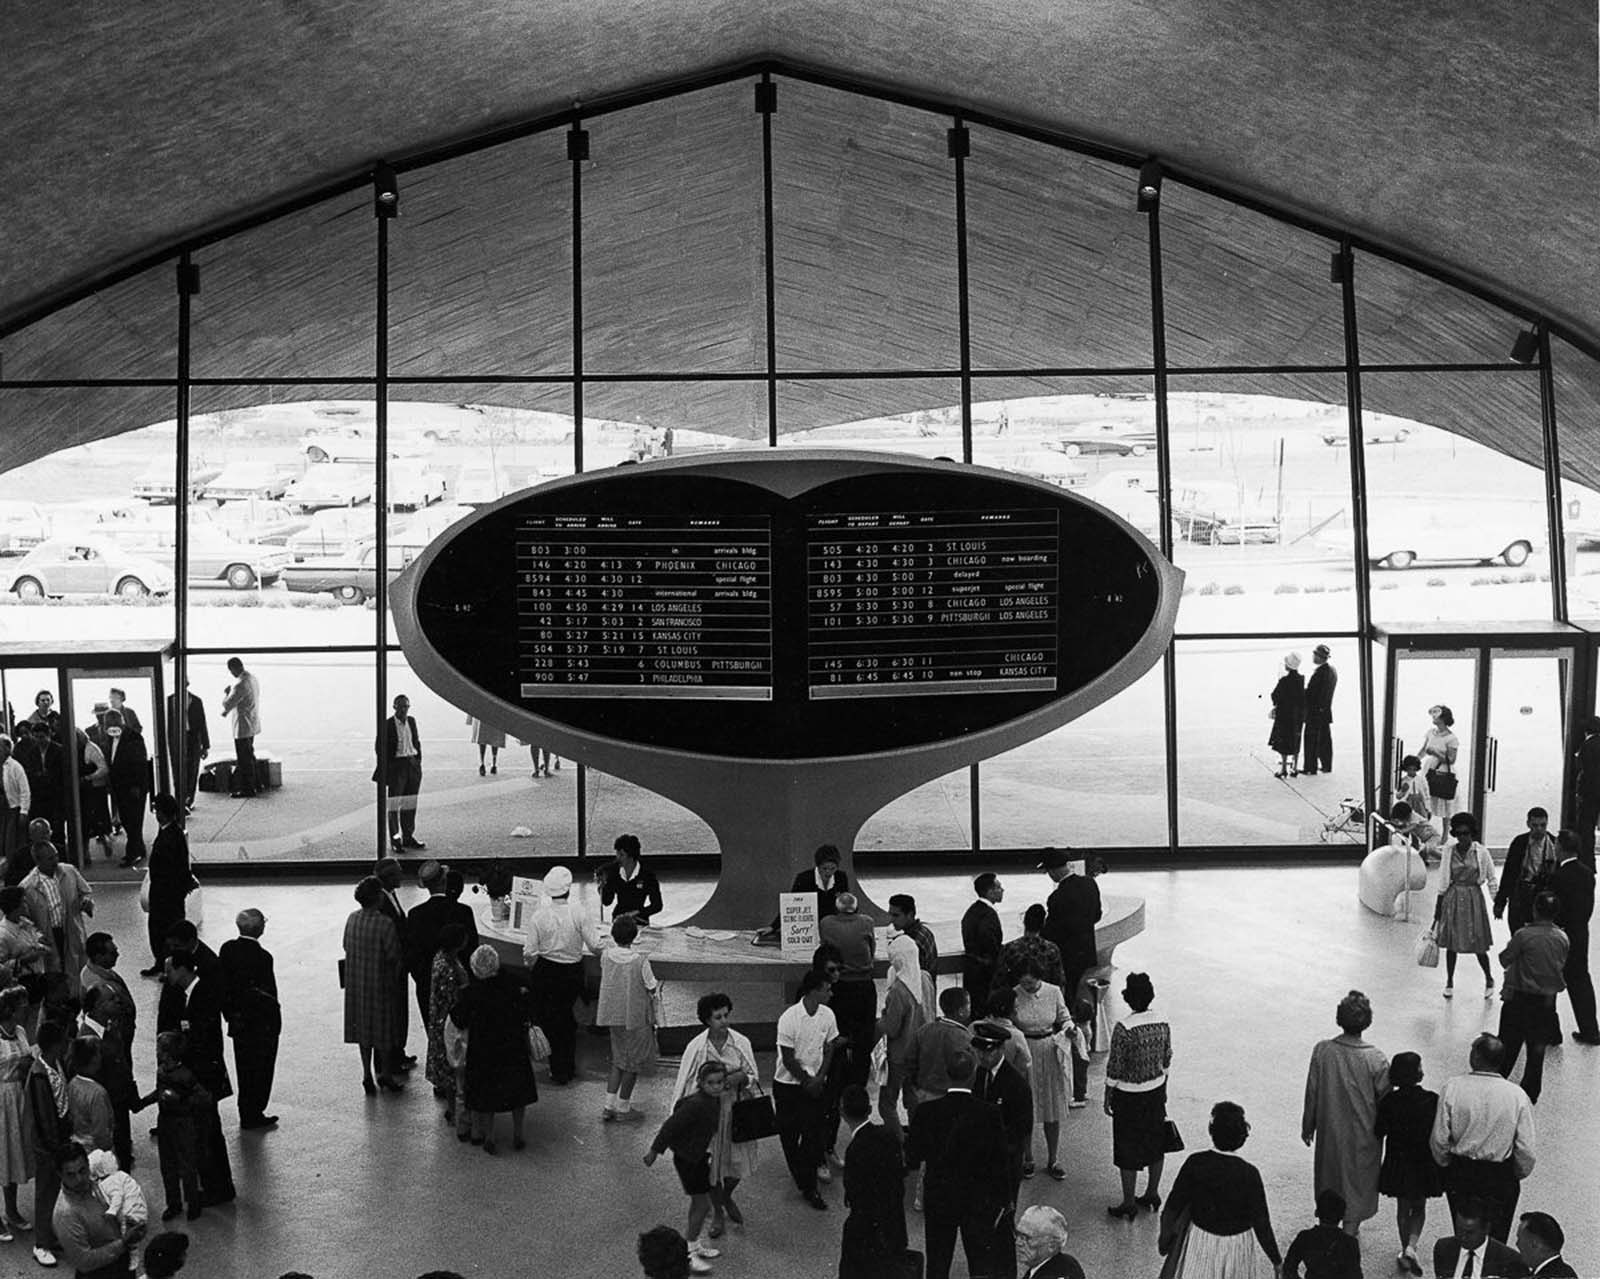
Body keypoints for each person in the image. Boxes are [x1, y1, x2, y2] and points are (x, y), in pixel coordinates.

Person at [904, 1048, 1010, 1279]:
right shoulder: (989, 1113)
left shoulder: (926, 1112)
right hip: (977, 1199)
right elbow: (1001, 1161)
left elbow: (912, 1156)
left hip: (939, 1198)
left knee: (938, 1262)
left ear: (947, 1074)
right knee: (980, 1263)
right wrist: (1002, 1200)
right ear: (973, 1074)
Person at [1429, 1034, 1536, 1243]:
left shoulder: (1453, 1087)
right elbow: (1526, 1149)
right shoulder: (1517, 1095)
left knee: (1464, 1234)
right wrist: (1514, 1173)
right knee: (1497, 1239)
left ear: (1476, 1058)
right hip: (1500, 1174)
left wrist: (1446, 1164)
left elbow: (1439, 1138)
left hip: (1462, 1171)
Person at [670, 992, 760, 1240]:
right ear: (707, 1020)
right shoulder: (697, 1047)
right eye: (718, 1017)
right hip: (707, 1117)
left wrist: (740, 1078)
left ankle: (725, 1196)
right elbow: (685, 1082)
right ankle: (718, 1211)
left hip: (735, 1112)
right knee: (712, 1167)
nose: (724, 1021)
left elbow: (754, 1076)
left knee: (737, 1165)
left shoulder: (740, 1042)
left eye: (726, 1015)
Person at [1158, 1101, 1281, 1279]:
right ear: (1243, 1136)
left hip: (1200, 1241)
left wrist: (1165, 1241)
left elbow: (1172, 1207)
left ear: (1212, 1131)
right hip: (1238, 1246)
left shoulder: (1195, 1162)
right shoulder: (1250, 1174)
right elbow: (1262, 1224)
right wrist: (1276, 1260)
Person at [1300, 989, 1389, 1233]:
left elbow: (1312, 1092)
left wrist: (1308, 1125)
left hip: (1330, 1131)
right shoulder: (1376, 1058)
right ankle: (1350, 1232)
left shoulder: (1323, 1050)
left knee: (1329, 1178)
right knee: (1358, 1183)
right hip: (1364, 1134)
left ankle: (1327, 1225)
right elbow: (1385, 1100)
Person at [159, 950, 234, 1208]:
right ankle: (216, 1185)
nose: (166, 975)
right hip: (203, 1079)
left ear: (183, 969)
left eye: (169, 970)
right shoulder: (192, 996)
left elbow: (204, 1043)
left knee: (208, 1135)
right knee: (207, 1134)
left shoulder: (200, 998)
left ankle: (218, 1188)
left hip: (203, 1081)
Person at [447, 944, 538, 1154]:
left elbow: (458, 1019)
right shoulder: (515, 983)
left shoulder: (472, 992)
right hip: (513, 1045)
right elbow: (528, 1007)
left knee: (487, 1094)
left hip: (484, 1049)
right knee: (518, 1091)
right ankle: (518, 1134)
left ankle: (490, 1136)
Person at [643, 1060, 726, 1276]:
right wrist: (654, 1150)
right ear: (700, 1082)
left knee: (699, 1203)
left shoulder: (711, 1101)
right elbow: (670, 1127)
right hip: (689, 1160)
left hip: (696, 1157)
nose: (716, 1087)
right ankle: (689, 1250)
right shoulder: (696, 1104)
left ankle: (694, 1244)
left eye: (720, 1082)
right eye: (711, 1083)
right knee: (703, 1206)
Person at [523, 865, 599, 1086]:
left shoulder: (538, 916)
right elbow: (594, 945)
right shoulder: (579, 912)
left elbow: (529, 952)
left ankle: (558, 1069)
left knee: (551, 1021)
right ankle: (568, 1067)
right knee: (566, 1018)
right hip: (571, 974)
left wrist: (533, 967)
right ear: (568, 889)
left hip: (545, 972)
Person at [1105, 971, 1172, 1219]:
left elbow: (1115, 1067)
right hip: (1155, 1090)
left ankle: (1129, 1202)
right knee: (1156, 1142)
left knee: (1127, 1147)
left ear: (1128, 999)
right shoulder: (1162, 1023)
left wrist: (1107, 1094)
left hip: (1129, 1095)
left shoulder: (1124, 1028)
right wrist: (1162, 1083)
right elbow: (1167, 1058)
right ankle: (1152, 1193)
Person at [772, 968, 839, 1210]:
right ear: (814, 991)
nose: (831, 992)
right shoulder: (789, 1018)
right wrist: (807, 1081)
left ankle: (808, 1186)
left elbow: (829, 1047)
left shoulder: (828, 1015)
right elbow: (788, 1058)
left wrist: (820, 1077)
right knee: (789, 1136)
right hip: (789, 1085)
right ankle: (803, 1177)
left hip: (815, 1084)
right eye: (827, 989)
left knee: (812, 1136)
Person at [1495, 891, 1568, 1103]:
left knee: (1507, 1048)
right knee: (1536, 1054)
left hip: (1518, 1000)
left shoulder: (1523, 935)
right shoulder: (1562, 938)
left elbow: (1504, 959)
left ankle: (1497, 1091)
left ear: (1535, 910)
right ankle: (1529, 1096)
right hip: (1545, 1003)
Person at [1377, 1051, 1443, 1275]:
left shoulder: (1389, 1101)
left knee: (1403, 1208)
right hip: (1423, 1161)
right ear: (1418, 1073)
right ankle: (1412, 1247)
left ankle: (1404, 1247)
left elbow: (1379, 1131)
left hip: (1398, 1161)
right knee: (1419, 1207)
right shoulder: (1432, 1100)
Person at [135, 1031, 212, 1222]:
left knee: (187, 1165)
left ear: (168, 1053)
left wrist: (182, 1099)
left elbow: (204, 1098)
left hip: (182, 1122)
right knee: (167, 1164)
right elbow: (159, 1091)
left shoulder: (186, 1076)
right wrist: (143, 1102)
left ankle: (193, 1202)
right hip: (165, 1121)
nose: (157, 1052)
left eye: (159, 1049)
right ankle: (174, 1203)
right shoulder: (162, 1071)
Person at [342, 875, 407, 1095]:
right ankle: (385, 1075)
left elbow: (345, 946)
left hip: (357, 983)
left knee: (363, 1032)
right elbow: (393, 955)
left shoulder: (352, 918)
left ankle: (366, 1074)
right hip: (380, 984)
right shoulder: (384, 923)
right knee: (383, 1031)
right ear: (377, 897)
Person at [218, 907, 281, 1130]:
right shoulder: (264, 958)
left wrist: (230, 1014)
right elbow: (269, 995)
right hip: (261, 1024)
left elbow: (222, 986)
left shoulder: (227, 949)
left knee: (244, 1068)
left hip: (238, 1021)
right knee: (262, 1069)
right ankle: (255, 1111)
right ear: (259, 928)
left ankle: (247, 1111)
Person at [837, 1082, 906, 1279]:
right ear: (869, 1109)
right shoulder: (888, 1136)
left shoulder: (854, 1150)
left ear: (843, 1113)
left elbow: (854, 1194)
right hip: (893, 1223)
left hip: (866, 1229)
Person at [597, 914, 659, 1123]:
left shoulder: (605, 956)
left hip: (613, 1017)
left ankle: (608, 1105)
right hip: (635, 1019)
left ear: (613, 935)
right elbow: (651, 986)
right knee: (632, 1064)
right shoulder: (641, 961)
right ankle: (623, 1107)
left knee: (618, 1060)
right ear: (635, 936)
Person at [53, 1141, 146, 1278]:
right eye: (71, 1175)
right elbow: (84, 1261)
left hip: (122, 1263)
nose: (79, 1179)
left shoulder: (98, 1180)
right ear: (60, 1174)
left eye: (82, 1170)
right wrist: (124, 1243)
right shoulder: (65, 1214)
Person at [405, 860, 478, 1026]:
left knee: (433, 1031)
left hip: (427, 985)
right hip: (460, 985)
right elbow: (472, 947)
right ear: (445, 882)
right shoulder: (463, 911)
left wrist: (424, 980)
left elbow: (412, 955)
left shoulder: (415, 914)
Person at [818, 892, 876, 1102]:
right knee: (863, 1036)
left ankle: (837, 1079)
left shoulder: (826, 923)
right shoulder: (867, 922)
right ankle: (858, 1084)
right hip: (863, 986)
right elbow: (872, 949)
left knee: (837, 1034)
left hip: (839, 987)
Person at [1434, 811, 1499, 999]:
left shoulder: (1482, 852)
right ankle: (1449, 982)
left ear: (1472, 833)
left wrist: (1497, 902)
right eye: (1459, 833)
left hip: (1473, 899)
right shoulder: (1449, 851)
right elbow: (1443, 881)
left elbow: (1491, 877)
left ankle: (1488, 978)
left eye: (1466, 833)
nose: (1463, 837)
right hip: (1453, 898)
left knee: (1479, 942)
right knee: (1452, 943)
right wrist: (1437, 909)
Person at [1012, 962, 1067, 1181]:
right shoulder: (1014, 995)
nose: (1027, 987)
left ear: (1039, 978)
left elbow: (1064, 1017)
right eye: (1023, 983)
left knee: (1052, 1107)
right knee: (1026, 1106)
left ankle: (1054, 1158)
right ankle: (1028, 1157)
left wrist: (1069, 1029)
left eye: (1031, 983)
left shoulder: (1054, 992)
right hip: (1024, 1049)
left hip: (1049, 1048)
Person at [875, 933, 932, 1140]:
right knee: (912, 1097)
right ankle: (918, 1138)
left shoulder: (898, 990)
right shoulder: (923, 979)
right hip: (916, 1052)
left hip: (897, 1055)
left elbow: (891, 1028)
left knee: (886, 1104)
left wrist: (879, 1020)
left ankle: (899, 1142)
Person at [970, 1020, 1032, 1210]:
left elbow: (1023, 1127)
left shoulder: (1016, 1084)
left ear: (1002, 1049)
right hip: (980, 1159)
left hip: (1004, 1161)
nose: (982, 1056)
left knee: (1002, 1213)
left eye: (988, 1051)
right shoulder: (979, 1075)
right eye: (979, 1051)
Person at [21, 838, 94, 996]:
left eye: (56, 855)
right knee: (54, 974)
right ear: (38, 861)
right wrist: (38, 936)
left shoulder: (69, 871)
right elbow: (26, 920)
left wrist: (86, 901)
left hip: (72, 930)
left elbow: (85, 891)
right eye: (50, 858)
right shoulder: (28, 887)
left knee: (77, 971)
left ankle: (77, 1001)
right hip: (49, 936)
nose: (56, 861)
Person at [25, 1019, 71, 1267]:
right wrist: (55, 1147)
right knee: (45, 1193)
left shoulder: (56, 1064)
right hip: (48, 1146)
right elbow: (44, 1116)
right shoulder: (39, 1075)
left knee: (55, 1191)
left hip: (59, 1139)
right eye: (64, 1040)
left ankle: (51, 1236)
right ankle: (41, 1243)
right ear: (56, 1045)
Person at [1547, 832, 1599, 1045]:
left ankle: (1551, 1032)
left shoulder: (1557, 876)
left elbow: (1555, 909)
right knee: (1580, 980)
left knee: (1549, 980)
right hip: (1579, 932)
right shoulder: (1587, 873)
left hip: (1560, 934)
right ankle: (1591, 1030)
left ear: (1560, 848)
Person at [424, 922, 470, 1135]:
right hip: (449, 1023)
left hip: (438, 1021)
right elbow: (455, 998)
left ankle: (453, 1108)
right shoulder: (450, 968)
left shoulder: (440, 958)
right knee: (454, 1065)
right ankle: (455, 1110)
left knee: (448, 1064)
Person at [1039, 849, 1100, 1005]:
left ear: (1053, 871)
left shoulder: (1056, 897)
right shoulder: (1090, 883)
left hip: (1067, 958)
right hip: (1088, 953)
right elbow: (1097, 915)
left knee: (1069, 998)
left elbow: (1051, 933)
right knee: (1087, 999)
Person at [143, 795, 195, 977]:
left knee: (163, 930)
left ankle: (167, 965)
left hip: (165, 894)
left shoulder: (169, 836)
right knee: (164, 929)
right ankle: (162, 963)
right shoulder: (174, 833)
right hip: (169, 893)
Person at [0, 985, 34, 1241]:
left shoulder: (21, 1031)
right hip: (0, 1099)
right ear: (11, 1009)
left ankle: (11, 1210)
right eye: (23, 1005)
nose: (27, 1009)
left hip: (18, 1099)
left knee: (11, 1156)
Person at [374, 694, 424, 852]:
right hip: (397, 767)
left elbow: (416, 741)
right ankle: (396, 841)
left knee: (410, 804)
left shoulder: (412, 721)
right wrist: (389, 768)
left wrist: (417, 761)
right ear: (394, 707)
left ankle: (408, 837)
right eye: (401, 706)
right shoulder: (387, 724)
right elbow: (379, 748)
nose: (404, 709)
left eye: (406, 706)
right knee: (394, 805)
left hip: (412, 765)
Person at [1432, 1198, 1530, 1279]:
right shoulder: (1443, 1248)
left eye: (1470, 1232)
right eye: (1459, 1230)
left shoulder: (1509, 1259)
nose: (1463, 1237)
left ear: (1486, 1229)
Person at [1496, 809, 1557, 935]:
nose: (1539, 829)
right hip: (1521, 894)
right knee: (1518, 934)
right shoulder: (1519, 842)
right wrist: (1500, 901)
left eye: (1543, 825)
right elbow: (1509, 873)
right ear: (1528, 824)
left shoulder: (1554, 844)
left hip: (1544, 895)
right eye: (1535, 825)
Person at [102, 711, 149, 868]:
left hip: (132, 786)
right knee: (128, 819)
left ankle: (132, 853)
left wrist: (136, 785)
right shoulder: (111, 738)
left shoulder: (134, 737)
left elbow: (139, 763)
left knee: (132, 820)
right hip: (120, 786)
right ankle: (139, 848)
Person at [1283, 1189, 1361, 1279]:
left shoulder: (1305, 1238)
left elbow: (1288, 1269)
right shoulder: (1350, 1243)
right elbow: (1356, 1275)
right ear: (1342, 1216)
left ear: (1316, 1213)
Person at [961, 872, 1005, 1019]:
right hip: (986, 977)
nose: (1002, 890)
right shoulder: (989, 915)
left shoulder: (971, 912)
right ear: (990, 891)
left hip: (972, 973)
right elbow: (991, 946)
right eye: (999, 887)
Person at [995, 904, 1066, 992]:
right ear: (1043, 924)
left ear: (1024, 921)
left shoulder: (1010, 948)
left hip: (1016, 999)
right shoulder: (1051, 949)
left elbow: (999, 980)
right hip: (1044, 999)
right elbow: (1058, 981)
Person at [596, 833, 664, 924]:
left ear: (631, 857)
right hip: (618, 919)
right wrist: (603, 886)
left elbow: (657, 905)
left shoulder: (647, 875)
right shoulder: (614, 872)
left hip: (639, 919)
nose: (618, 858)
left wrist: (637, 913)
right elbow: (607, 901)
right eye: (617, 854)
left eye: (621, 855)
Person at [219, 657, 260, 799]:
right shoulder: (252, 679)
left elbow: (227, 704)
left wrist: (226, 693)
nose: (231, 674)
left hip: (242, 727)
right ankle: (256, 784)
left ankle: (248, 789)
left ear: (234, 668)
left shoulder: (240, 684)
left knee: (244, 760)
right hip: (252, 724)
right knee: (250, 756)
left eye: (230, 670)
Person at [165, 682, 208, 813]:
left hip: (193, 737)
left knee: (192, 768)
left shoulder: (196, 700)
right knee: (177, 769)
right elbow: (166, 722)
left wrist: (205, 745)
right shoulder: (169, 700)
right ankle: (179, 800)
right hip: (176, 739)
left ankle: (189, 799)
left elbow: (202, 723)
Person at [66, 1036, 114, 1154]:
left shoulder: (72, 1083)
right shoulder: (98, 1093)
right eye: (98, 1053)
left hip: (78, 1145)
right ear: (93, 1059)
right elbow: (101, 1133)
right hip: (95, 1151)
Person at [1013, 1204, 1085, 1279]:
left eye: (1027, 1238)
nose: (1018, 1243)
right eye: (1018, 1234)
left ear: (1052, 1245)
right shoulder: (1069, 1263)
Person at [1269, 651, 1306, 778]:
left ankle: (1284, 768)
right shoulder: (1301, 680)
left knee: (1283, 743)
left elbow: (1275, 696)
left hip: (1285, 716)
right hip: (1298, 716)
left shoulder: (1284, 681)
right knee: (1296, 740)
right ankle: (1294, 767)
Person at [1302, 643, 1337, 775]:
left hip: (1315, 713)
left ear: (1320, 657)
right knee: (1325, 740)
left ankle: (1310, 767)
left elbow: (1311, 694)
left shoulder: (1319, 673)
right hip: (1325, 711)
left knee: (1311, 740)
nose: (1313, 656)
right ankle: (1327, 765)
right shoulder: (1331, 671)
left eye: (1315, 654)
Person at [889, 894, 939, 978]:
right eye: (890, 914)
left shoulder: (910, 944)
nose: (891, 919)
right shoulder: (926, 931)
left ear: (910, 915)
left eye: (896, 915)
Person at [0, 736, 29, 876]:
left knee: (11, 843)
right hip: (1, 808)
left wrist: (24, 811)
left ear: (7, 749)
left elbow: (24, 790)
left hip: (12, 808)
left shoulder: (15, 767)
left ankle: (13, 871)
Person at [1514, 1212, 1574, 1278]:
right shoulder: (1564, 1271)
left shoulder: (1553, 1275)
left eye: (1519, 1238)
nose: (1517, 1244)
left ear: (1534, 1243)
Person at [1575, 715, 1600, 866]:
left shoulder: (1587, 746)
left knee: (1586, 829)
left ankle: (1588, 862)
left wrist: (1580, 793)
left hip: (1591, 794)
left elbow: (1585, 772)